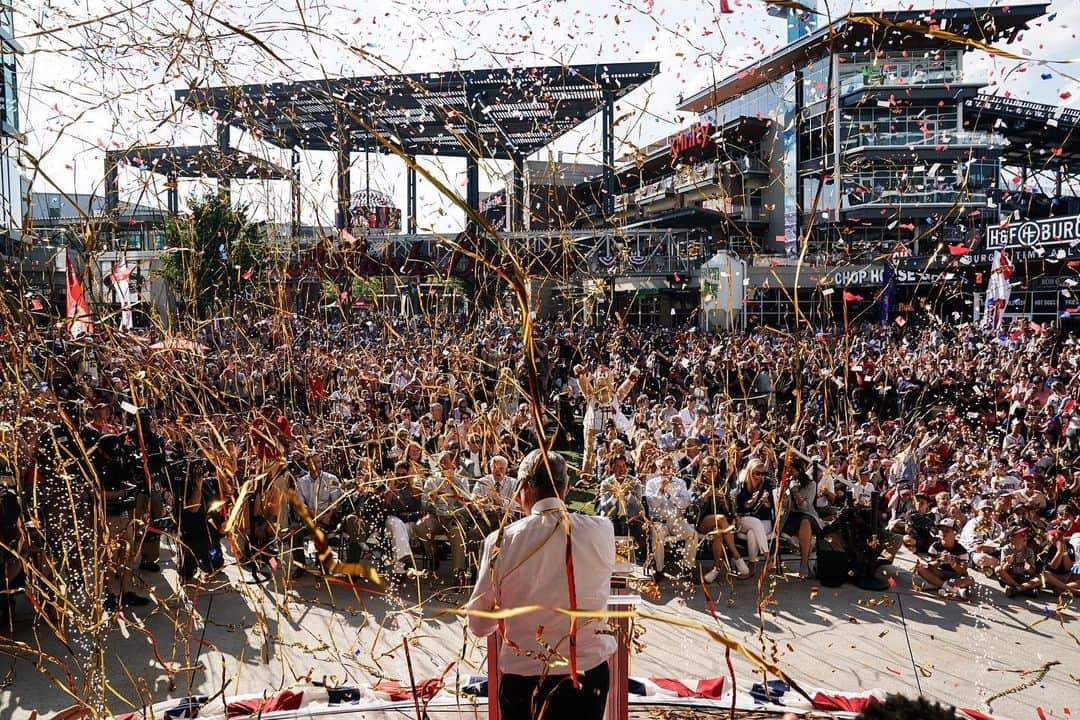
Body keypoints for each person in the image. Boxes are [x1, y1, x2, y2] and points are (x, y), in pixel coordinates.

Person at [467, 449, 614, 720]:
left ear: (522, 488)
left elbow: (478, 624)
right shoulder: (602, 529)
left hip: (526, 678)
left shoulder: (502, 540)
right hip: (587, 675)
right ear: (566, 488)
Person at [644, 455, 698, 581]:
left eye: (668, 467)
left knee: (693, 535)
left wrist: (669, 494)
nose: (665, 470)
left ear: (673, 468)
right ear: (658, 468)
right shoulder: (651, 483)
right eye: (662, 467)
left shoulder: (680, 483)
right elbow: (652, 504)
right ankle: (659, 569)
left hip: (676, 520)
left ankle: (687, 567)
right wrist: (660, 489)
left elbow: (685, 503)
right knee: (658, 536)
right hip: (659, 521)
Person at [914, 518, 974, 600]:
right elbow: (930, 567)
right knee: (920, 569)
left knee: (970, 580)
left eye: (947, 531)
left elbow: (963, 571)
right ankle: (953, 588)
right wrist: (940, 560)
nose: (943, 533)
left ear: (954, 533)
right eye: (941, 530)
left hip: (953, 576)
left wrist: (953, 564)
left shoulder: (961, 550)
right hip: (938, 572)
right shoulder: (935, 546)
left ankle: (935, 585)